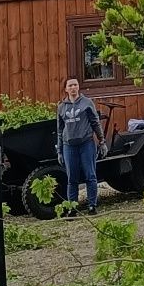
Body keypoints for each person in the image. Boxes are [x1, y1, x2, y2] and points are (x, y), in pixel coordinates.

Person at [56, 76, 105, 214]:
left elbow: (95, 122)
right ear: (66, 89)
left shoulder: (87, 103)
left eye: (75, 85)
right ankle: (72, 207)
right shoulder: (61, 107)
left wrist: (102, 141)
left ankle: (92, 205)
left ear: (78, 87)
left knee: (90, 175)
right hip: (69, 145)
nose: (73, 88)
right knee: (72, 178)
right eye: (70, 85)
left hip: (86, 143)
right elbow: (60, 130)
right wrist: (59, 150)